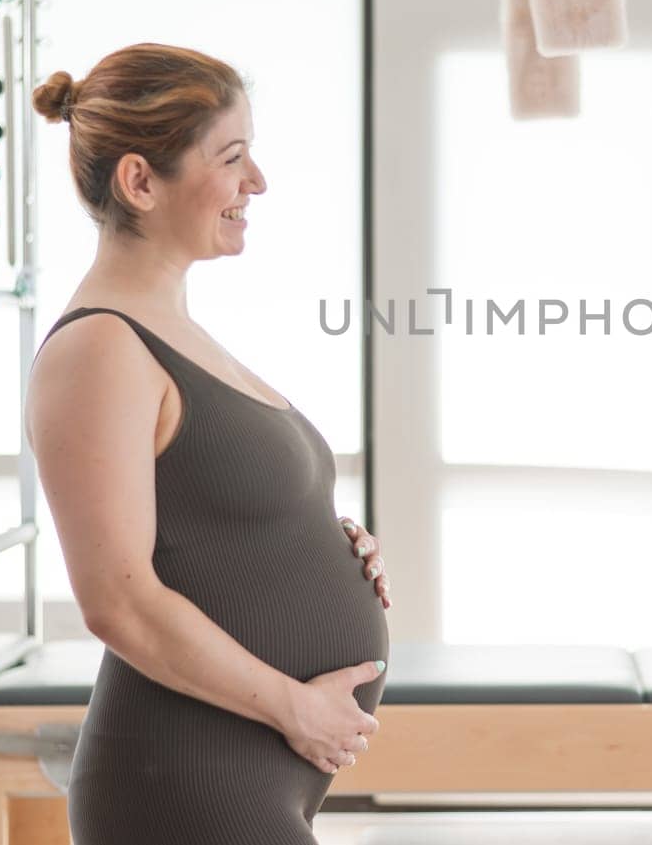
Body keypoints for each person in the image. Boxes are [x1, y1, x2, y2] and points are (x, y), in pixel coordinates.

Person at [23, 43, 391, 845]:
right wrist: (299, 708)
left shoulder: (172, 331)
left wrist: (313, 540)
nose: (256, 182)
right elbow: (118, 601)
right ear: (141, 181)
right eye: (232, 157)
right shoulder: (98, 351)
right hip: (181, 780)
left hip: (240, 775)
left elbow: (205, 522)